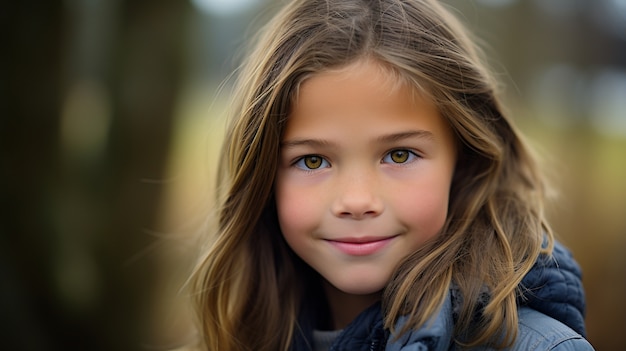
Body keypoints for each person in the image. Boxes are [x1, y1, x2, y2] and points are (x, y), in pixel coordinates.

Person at [186, 0, 594, 350]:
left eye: (399, 155)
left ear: (465, 160)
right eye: (313, 161)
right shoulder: (251, 331)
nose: (358, 201)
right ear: (264, 178)